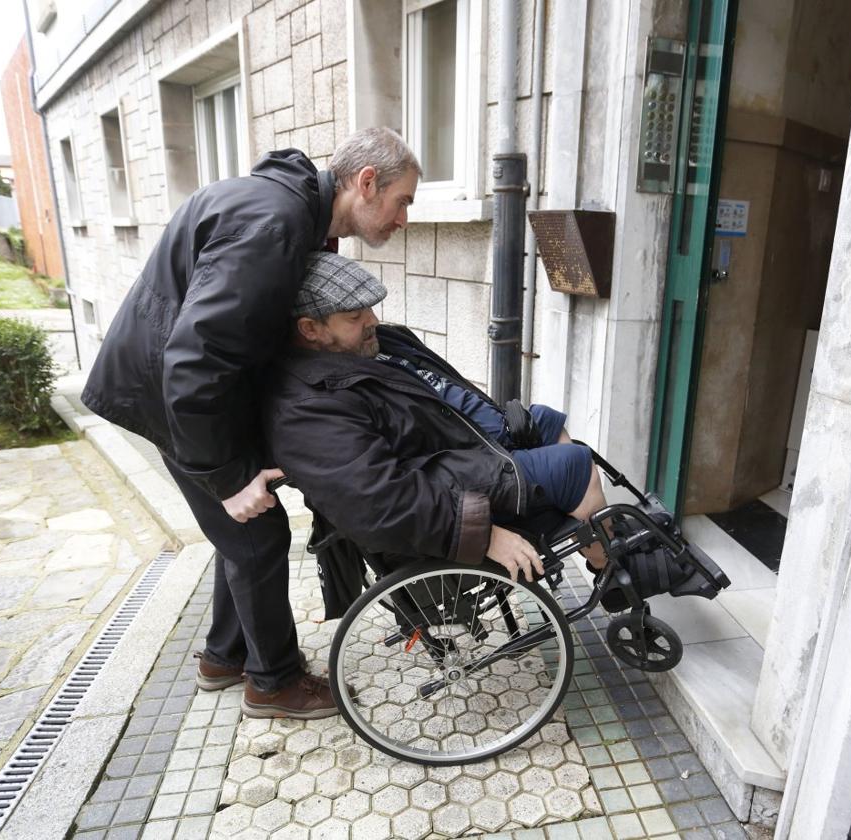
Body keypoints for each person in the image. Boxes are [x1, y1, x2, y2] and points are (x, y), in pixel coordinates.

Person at [81, 130, 420, 720]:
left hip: (181, 390)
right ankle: (273, 683)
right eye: (403, 201)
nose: (404, 219)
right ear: (366, 183)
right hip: (171, 396)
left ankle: (223, 655)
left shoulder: (300, 214)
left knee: (241, 535)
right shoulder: (274, 226)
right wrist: (226, 475)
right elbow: (196, 357)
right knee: (257, 532)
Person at [264, 252, 611, 585]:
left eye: (369, 307)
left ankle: (588, 532)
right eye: (354, 316)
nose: (372, 320)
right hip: (449, 479)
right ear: (310, 328)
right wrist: (483, 534)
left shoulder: (372, 344)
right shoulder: (307, 408)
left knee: (547, 424)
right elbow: (376, 500)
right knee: (575, 467)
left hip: (461, 443)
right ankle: (609, 571)